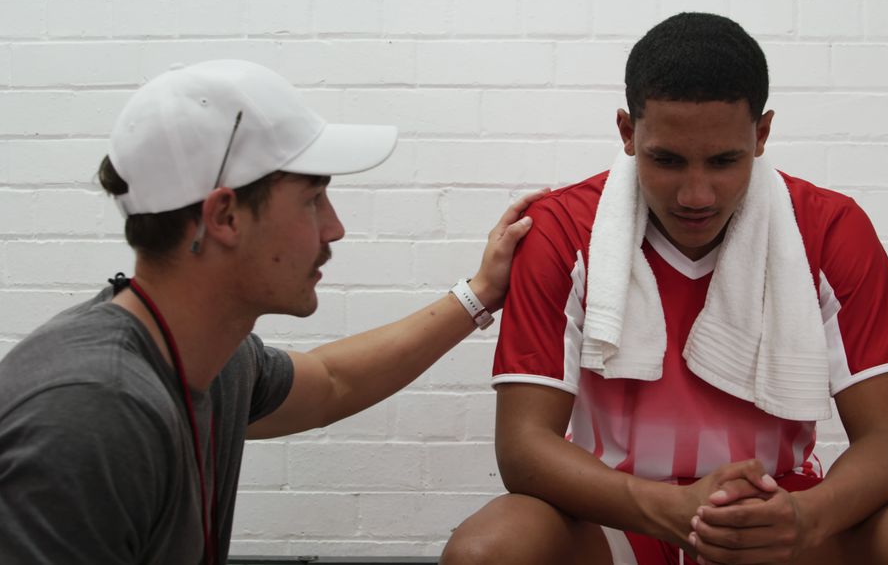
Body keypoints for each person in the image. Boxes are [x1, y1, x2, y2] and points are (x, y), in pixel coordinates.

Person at [442, 12, 888, 565]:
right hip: (616, 512)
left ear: (761, 135)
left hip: (779, 511)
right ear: (628, 133)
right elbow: (522, 448)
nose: (696, 194)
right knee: (486, 552)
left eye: (724, 160)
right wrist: (667, 506)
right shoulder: (562, 229)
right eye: (667, 159)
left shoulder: (831, 229)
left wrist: (805, 518)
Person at [0, 59, 542, 564]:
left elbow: (332, 382)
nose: (335, 228)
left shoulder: (212, 361)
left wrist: (479, 293)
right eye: (313, 199)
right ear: (226, 217)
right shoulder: (92, 413)